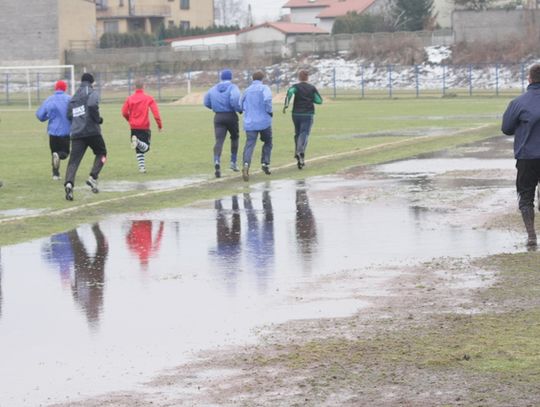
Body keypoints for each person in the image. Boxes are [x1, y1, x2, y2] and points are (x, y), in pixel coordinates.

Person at [501, 63, 540, 247]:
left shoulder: (518, 103)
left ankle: (531, 236)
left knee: (525, 196)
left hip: (527, 157)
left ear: (529, 79)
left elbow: (506, 129)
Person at [64, 73, 107, 201]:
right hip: (92, 131)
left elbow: (69, 114)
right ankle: (93, 177)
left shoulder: (74, 95)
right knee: (102, 153)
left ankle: (69, 184)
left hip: (77, 133)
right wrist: (97, 119)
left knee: (74, 161)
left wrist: (78, 121)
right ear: (92, 82)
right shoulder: (92, 91)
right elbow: (92, 105)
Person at [203, 69, 242, 178]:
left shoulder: (213, 88)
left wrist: (214, 107)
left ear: (221, 77)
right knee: (234, 138)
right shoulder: (233, 87)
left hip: (218, 117)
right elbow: (235, 99)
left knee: (219, 140)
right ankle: (233, 162)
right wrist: (239, 109)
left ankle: (217, 161)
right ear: (231, 77)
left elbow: (206, 102)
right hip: (231, 115)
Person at [283, 70, 322, 169]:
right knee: (304, 133)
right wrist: (310, 99)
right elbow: (319, 100)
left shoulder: (295, 87)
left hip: (296, 114)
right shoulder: (312, 88)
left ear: (299, 78)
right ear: (307, 78)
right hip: (307, 114)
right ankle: (300, 151)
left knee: (297, 133)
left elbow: (289, 92)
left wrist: (286, 105)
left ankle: (299, 156)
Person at [121, 79, 163, 173]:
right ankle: (138, 142)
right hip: (144, 126)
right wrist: (159, 125)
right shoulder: (148, 98)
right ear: (144, 86)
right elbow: (155, 113)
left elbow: (124, 112)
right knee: (146, 148)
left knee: (138, 149)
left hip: (134, 127)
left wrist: (129, 120)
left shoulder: (130, 98)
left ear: (134, 87)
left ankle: (142, 168)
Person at [240, 71, 273, 182]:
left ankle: (246, 165)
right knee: (268, 141)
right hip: (264, 121)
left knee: (249, 144)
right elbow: (267, 99)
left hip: (250, 122)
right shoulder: (264, 88)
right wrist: (269, 111)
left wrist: (245, 111)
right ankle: (265, 163)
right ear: (262, 78)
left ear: (252, 79)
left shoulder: (247, 90)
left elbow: (240, 104)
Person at [35, 80, 72, 180]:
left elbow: (39, 115)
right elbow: (74, 113)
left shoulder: (49, 99)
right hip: (65, 131)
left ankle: (55, 174)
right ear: (65, 88)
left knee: (54, 152)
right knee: (64, 153)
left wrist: (47, 117)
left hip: (52, 131)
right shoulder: (69, 99)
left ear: (56, 88)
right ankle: (59, 156)